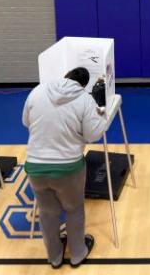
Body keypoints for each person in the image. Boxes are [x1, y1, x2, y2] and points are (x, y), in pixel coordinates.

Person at [23, 67, 108, 268]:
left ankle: (54, 257)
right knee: (74, 209)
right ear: (83, 85)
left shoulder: (37, 91)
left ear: (65, 76)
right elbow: (92, 135)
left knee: (47, 212)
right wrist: (102, 114)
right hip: (68, 167)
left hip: (34, 165)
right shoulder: (85, 100)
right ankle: (78, 254)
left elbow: (26, 122)